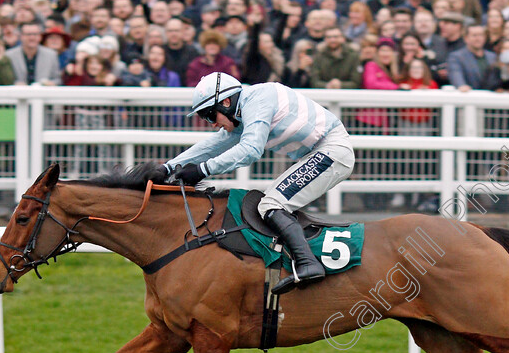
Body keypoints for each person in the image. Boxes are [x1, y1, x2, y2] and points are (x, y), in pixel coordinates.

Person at [149, 73, 355, 294]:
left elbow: (250, 150)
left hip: (332, 151)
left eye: (210, 115)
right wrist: (168, 167)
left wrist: (203, 170)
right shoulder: (243, 110)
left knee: (271, 204)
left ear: (226, 102)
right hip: (320, 151)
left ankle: (308, 263)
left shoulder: (258, 100)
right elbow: (213, 145)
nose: (212, 124)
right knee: (270, 203)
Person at [5, 21, 60, 85]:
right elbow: (5, 80)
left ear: (40, 36)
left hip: (43, 93)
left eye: (35, 34)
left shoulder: (51, 55)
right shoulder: (9, 55)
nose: (32, 38)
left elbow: (57, 79)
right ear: (21, 36)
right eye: (28, 34)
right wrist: (16, 84)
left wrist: (50, 83)